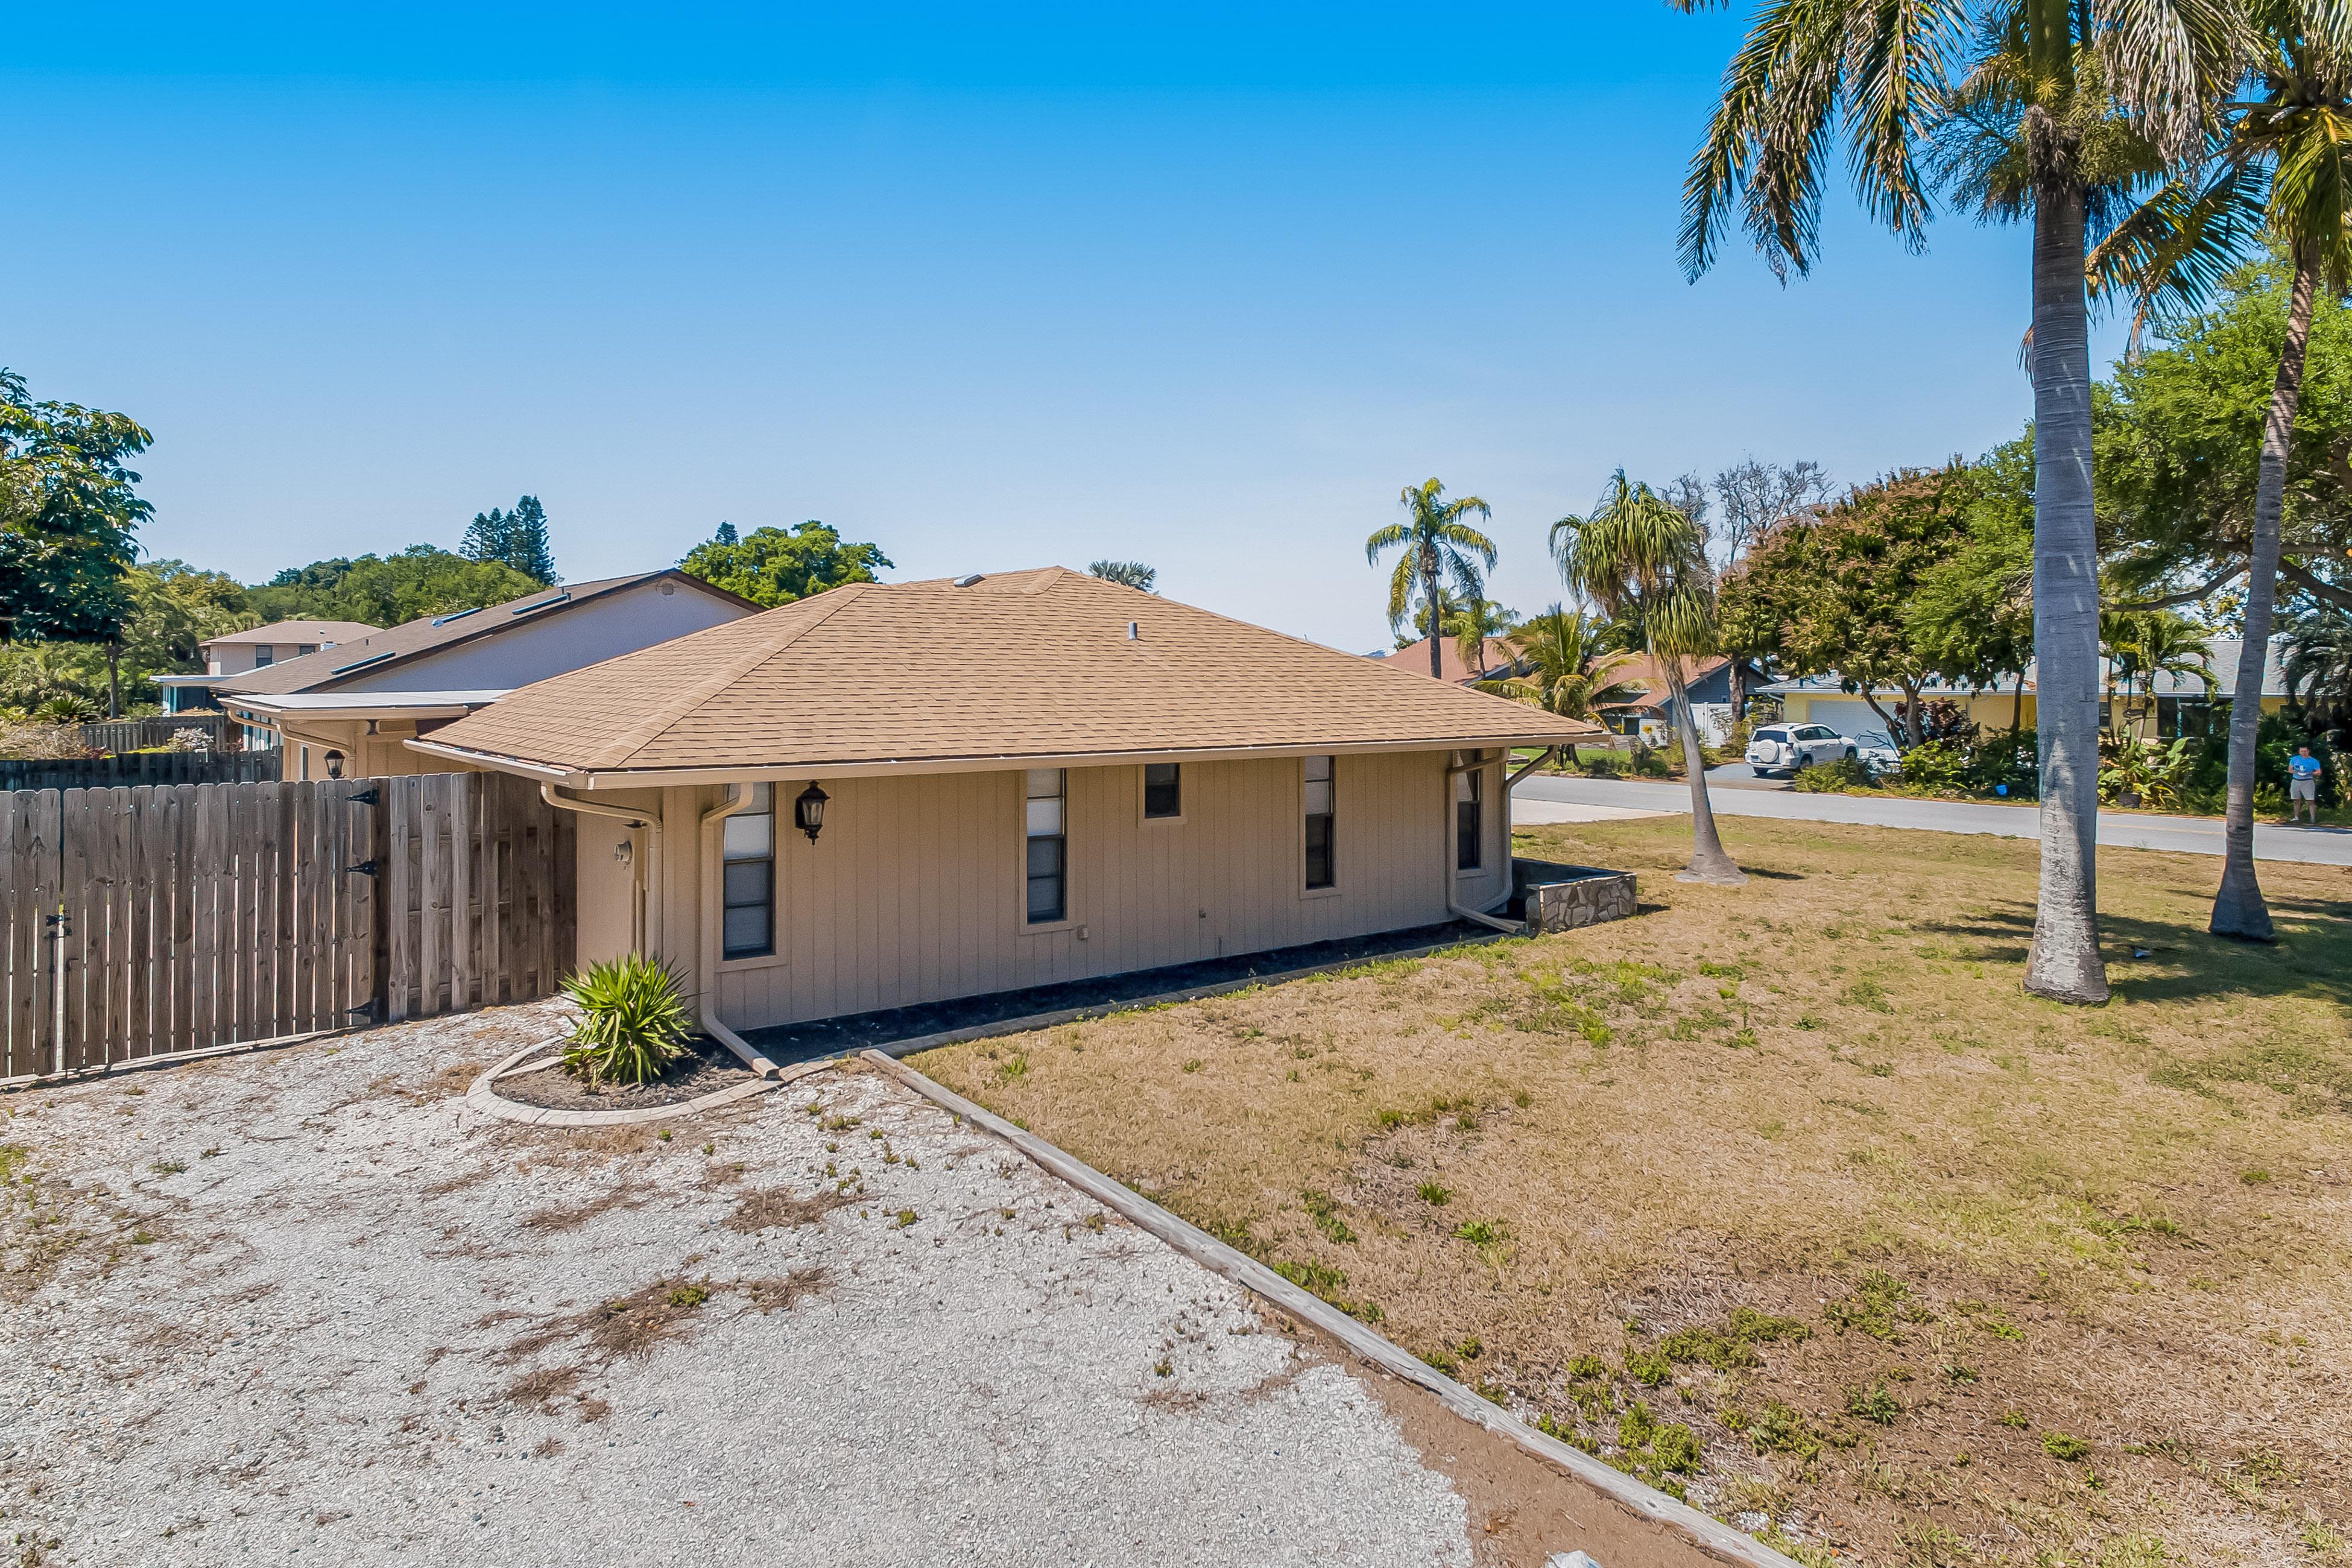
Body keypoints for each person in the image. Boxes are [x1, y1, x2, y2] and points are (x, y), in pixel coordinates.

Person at [2287, 745, 2325, 825]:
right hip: (2296, 781)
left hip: (2308, 781)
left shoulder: (2314, 761)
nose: (2303, 753)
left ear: (2308, 751)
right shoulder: (2294, 759)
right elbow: (2290, 770)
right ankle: (2296, 817)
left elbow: (2318, 772)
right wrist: (2296, 772)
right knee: (2296, 800)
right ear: (2299, 751)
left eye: (2305, 751)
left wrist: (2310, 773)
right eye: (2302, 751)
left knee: (2310, 801)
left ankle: (2312, 818)